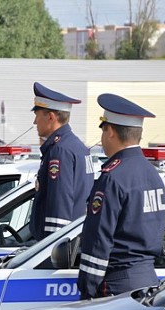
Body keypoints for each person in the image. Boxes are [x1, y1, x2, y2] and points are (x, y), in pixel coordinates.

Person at [78, 93, 165, 300]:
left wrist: (87, 290)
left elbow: (98, 240)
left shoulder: (113, 177)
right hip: (148, 281)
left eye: (102, 130)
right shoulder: (152, 174)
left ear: (109, 132)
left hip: (116, 286)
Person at [29, 82, 94, 241]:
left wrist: (51, 249)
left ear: (51, 116)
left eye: (37, 115)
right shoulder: (76, 145)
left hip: (58, 244)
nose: (35, 122)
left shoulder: (60, 150)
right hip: (72, 239)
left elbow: (60, 204)